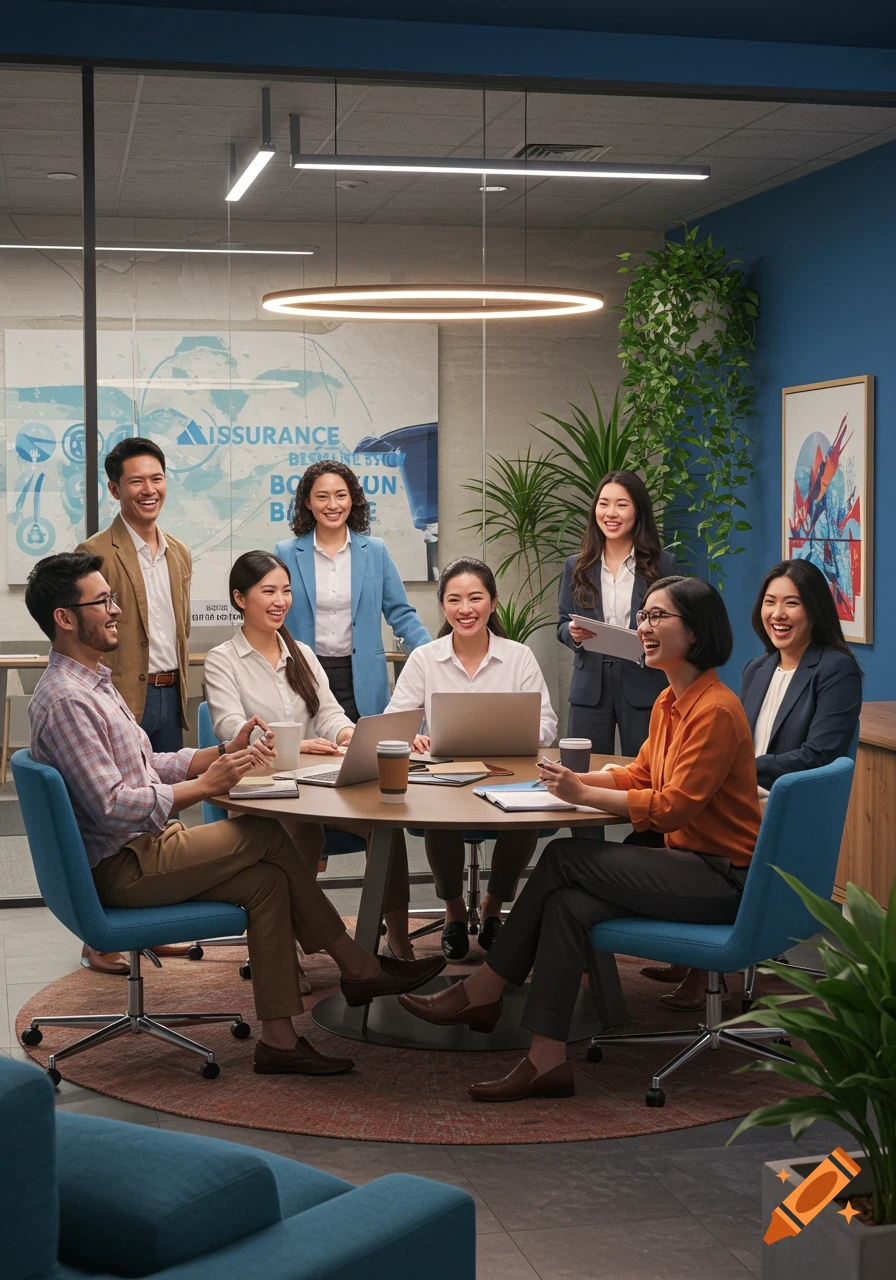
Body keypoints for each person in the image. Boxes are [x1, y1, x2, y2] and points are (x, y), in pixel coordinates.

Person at [23, 553, 445, 1077]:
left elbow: (145, 764)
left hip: (144, 849)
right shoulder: (67, 699)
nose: (116, 610)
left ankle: (279, 1040)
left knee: (268, 882)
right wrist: (204, 787)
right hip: (125, 865)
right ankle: (358, 966)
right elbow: (110, 804)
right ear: (65, 618)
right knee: (266, 834)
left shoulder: (92, 683)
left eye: (113, 598)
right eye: (103, 601)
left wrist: (218, 755)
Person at [398, 576, 761, 1102]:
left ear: (697, 633)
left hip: (720, 877)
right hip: (686, 865)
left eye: (658, 617)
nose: (644, 626)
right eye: (644, 615)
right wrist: (575, 781)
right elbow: (640, 775)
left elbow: (673, 806)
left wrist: (584, 796)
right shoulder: (670, 702)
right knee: (567, 903)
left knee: (566, 855)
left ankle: (482, 990)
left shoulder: (716, 710)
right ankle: (545, 1060)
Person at [645, 557, 863, 1009]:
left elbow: (819, 755)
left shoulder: (835, 669)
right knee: (667, 818)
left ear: (815, 610)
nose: (777, 614)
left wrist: (736, 770)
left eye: (792, 603)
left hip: (789, 799)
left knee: (693, 820)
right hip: (752, 792)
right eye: (769, 602)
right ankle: (692, 952)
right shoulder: (757, 668)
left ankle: (705, 966)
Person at [204, 550, 415, 962]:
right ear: (240, 598)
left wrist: (351, 735)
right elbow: (231, 728)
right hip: (260, 793)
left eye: (285, 590)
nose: (280, 600)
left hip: (316, 790)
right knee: (301, 831)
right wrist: (295, 744)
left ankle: (398, 939)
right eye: (268, 591)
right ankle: (283, 950)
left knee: (386, 824)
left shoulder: (300, 652)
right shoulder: (221, 660)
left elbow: (330, 713)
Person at [385, 557, 558, 961]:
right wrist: (415, 739)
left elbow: (547, 726)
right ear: (443, 607)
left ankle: (493, 908)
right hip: (445, 777)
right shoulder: (425, 658)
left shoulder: (519, 657)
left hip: (509, 774)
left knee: (525, 816)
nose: (466, 609)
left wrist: (516, 733)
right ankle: (454, 913)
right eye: (455, 599)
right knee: (439, 816)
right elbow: (396, 723)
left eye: (475, 598)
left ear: (493, 602)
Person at [76, 436, 192, 974]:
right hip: (121, 698)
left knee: (161, 815)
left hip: (171, 691)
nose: (149, 490)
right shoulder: (95, 551)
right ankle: (96, 939)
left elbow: (177, 629)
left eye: (157, 479)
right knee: (113, 819)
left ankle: (154, 925)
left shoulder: (180, 552)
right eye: (136, 481)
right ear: (114, 488)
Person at [275, 460, 430, 722]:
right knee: (310, 756)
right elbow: (273, 616)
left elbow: (401, 614)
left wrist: (434, 657)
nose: (333, 505)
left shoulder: (375, 551)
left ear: (352, 499)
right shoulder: (286, 553)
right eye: (322, 497)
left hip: (362, 677)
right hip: (303, 673)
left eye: (341, 495)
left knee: (364, 756)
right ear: (307, 503)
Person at [558, 470, 679, 754]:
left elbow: (676, 622)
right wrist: (573, 634)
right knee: (582, 769)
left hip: (644, 681)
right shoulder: (576, 565)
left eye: (621, 504)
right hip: (590, 686)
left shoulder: (663, 565)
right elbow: (562, 623)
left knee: (647, 770)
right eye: (604, 503)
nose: (611, 513)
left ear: (638, 510)